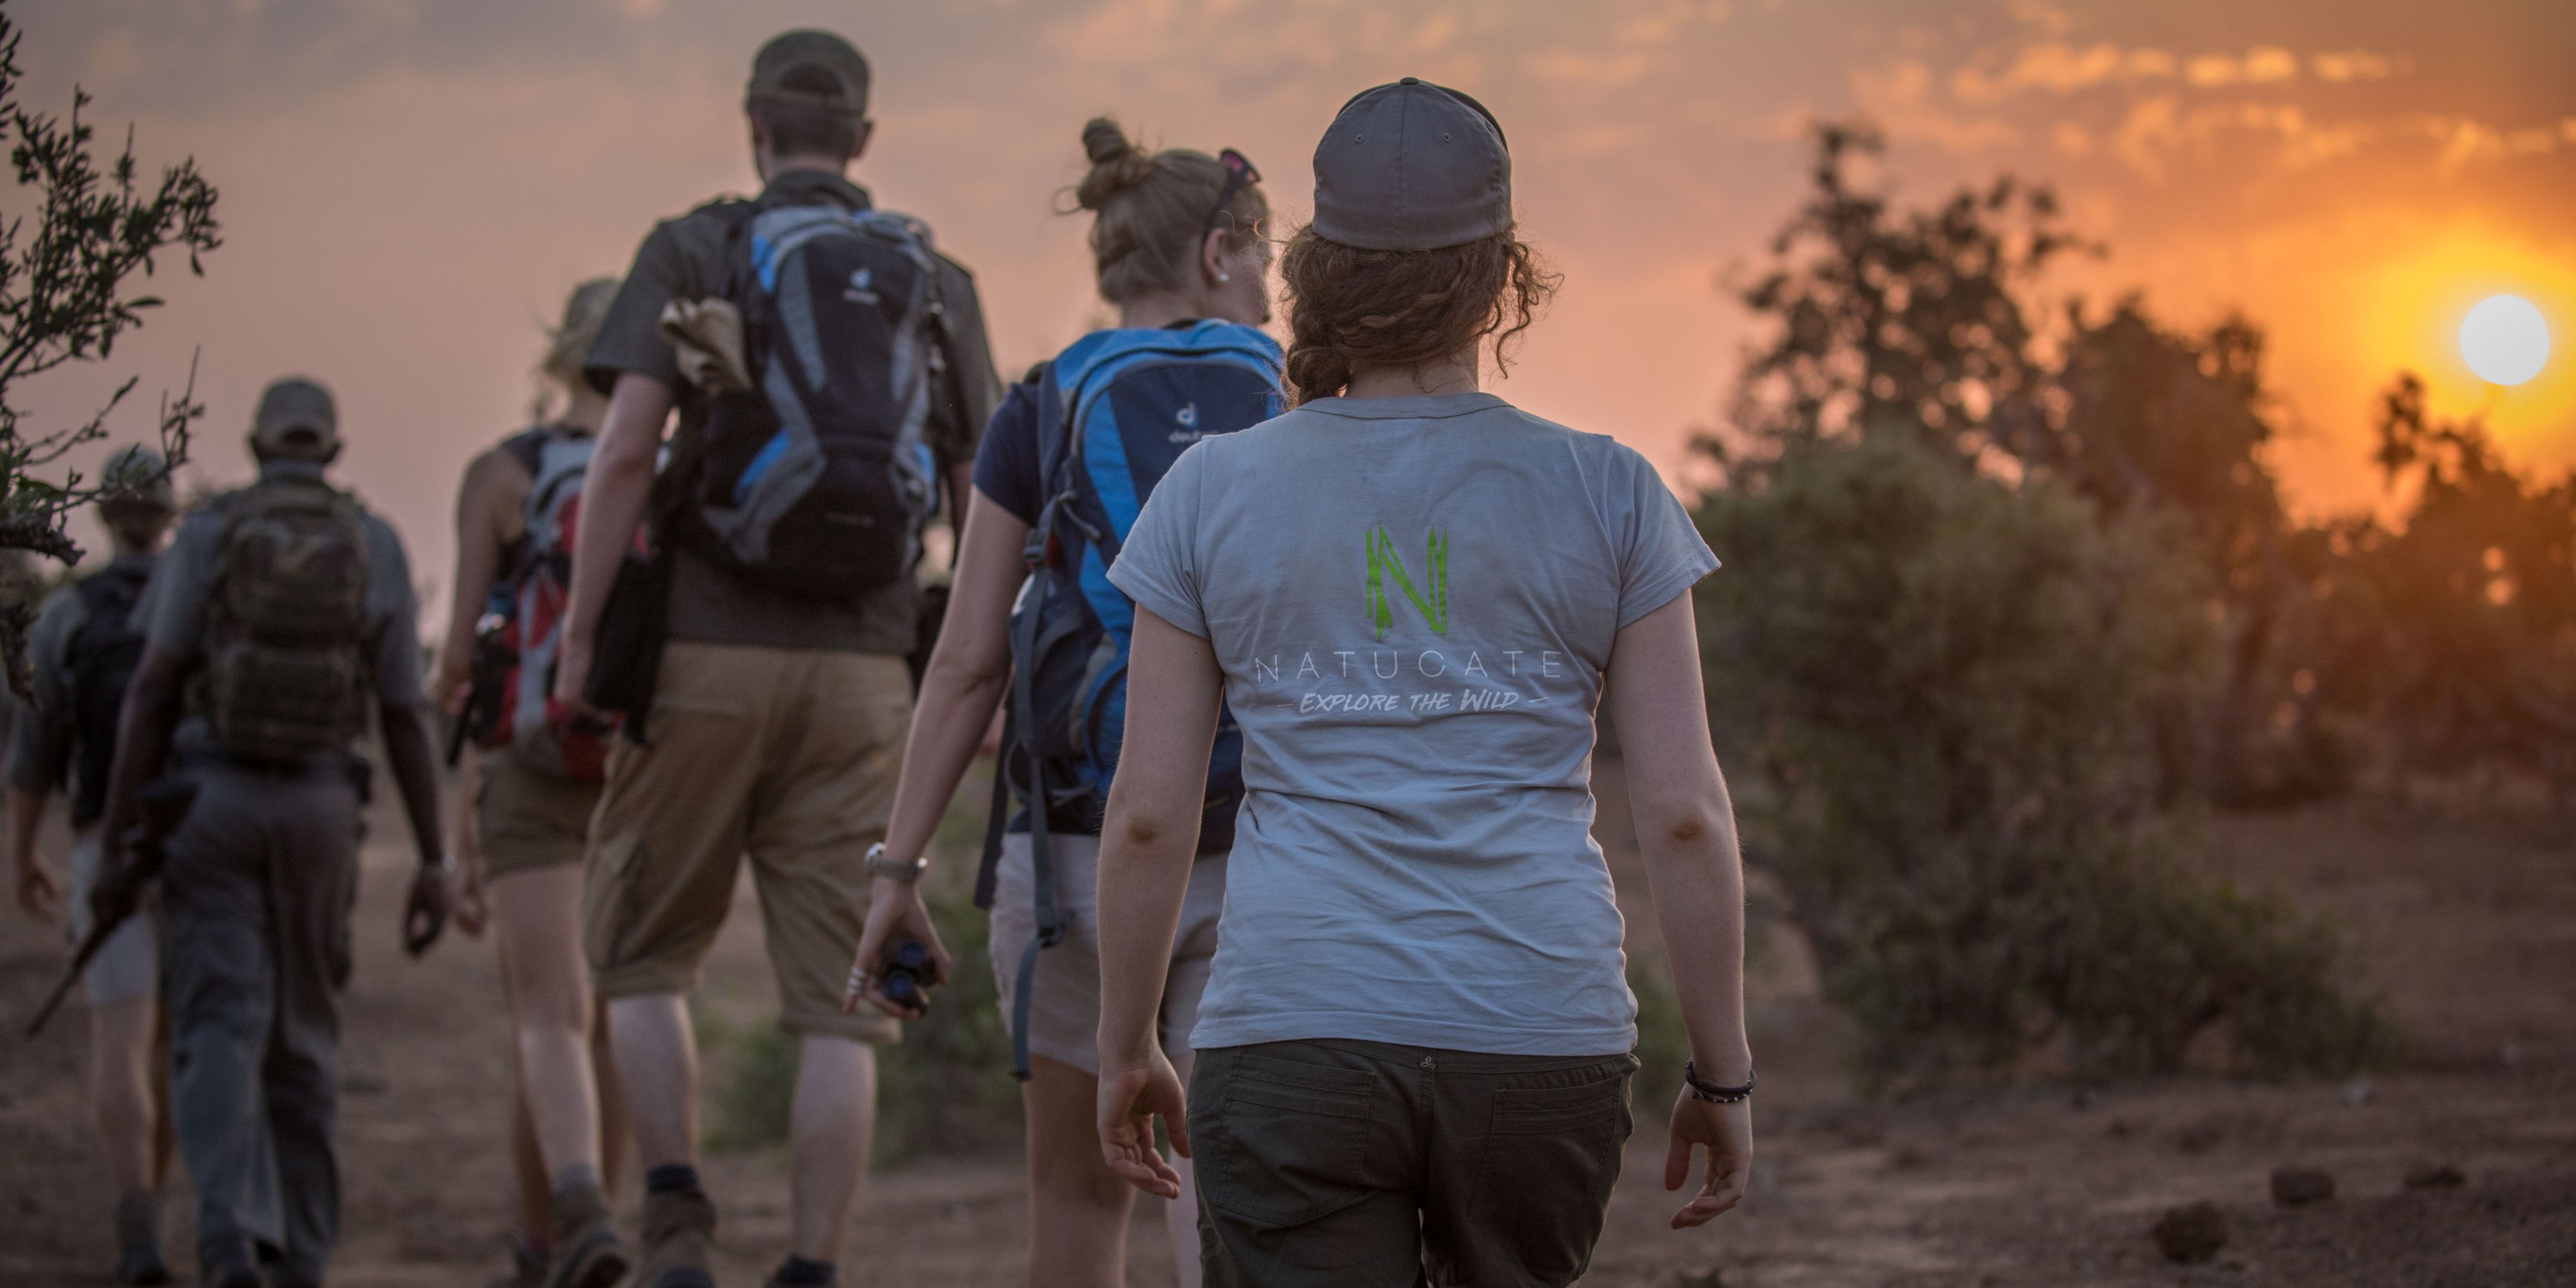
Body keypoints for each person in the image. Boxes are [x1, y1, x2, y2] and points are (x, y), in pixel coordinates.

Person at [1089, 80, 1759, 1285]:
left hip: (1293, 1031)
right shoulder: (1610, 492)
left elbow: (1149, 813)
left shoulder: (1209, 491)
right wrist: (1723, 1073)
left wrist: (1126, 1043)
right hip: (1541, 1035)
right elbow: (1683, 813)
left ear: (1317, 271)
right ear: (1502, 273)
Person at [551, 29, 1002, 1288]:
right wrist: (975, 677)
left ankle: (679, 1223)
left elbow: (628, 450)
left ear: (754, 122)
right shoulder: (937, 278)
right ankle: (812, 1266)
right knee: (839, 1001)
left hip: (698, 652)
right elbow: (979, 496)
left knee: (643, 956)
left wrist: (585, 639)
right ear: (862, 139)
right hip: (866, 675)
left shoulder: (695, 246)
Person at [845, 119, 1279, 1288]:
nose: (1269, 286)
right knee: (1221, 1190)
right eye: (1265, 259)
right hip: (1262, 851)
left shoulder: (1042, 403)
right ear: (1221, 253)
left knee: (1080, 1199)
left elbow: (967, 664)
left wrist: (897, 870)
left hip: (1071, 863)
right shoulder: (1298, 398)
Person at [95, 376, 451, 1288]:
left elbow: (153, 687)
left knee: (217, 1023)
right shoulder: (370, 540)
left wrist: (123, 832)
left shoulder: (211, 533)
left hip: (212, 804)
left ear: (257, 447)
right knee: (305, 1030)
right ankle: (304, 1253)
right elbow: (406, 713)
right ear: (330, 450)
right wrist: (435, 858)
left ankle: (225, 1243)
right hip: (325, 810)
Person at [431, 278, 634, 1288]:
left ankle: (570, 1220)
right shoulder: (671, 468)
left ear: (560, 355)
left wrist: (455, 825)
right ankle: (569, 1228)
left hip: (530, 761)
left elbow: (462, 670)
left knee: (549, 1015)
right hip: (639, 772)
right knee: (622, 1009)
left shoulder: (502, 475)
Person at [9, 445, 181, 1285]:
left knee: (121, 1032)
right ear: (169, 511)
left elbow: (36, 751)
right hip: (189, 844)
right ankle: (161, 1191)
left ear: (107, 517)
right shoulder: (198, 599)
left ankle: (137, 1222)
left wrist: (22, 855)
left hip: (98, 845)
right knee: (181, 1042)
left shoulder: (71, 614)